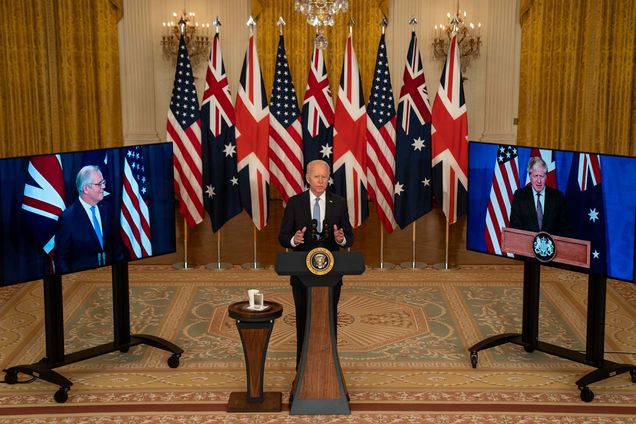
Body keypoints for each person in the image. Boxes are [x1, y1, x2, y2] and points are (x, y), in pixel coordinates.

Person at [278, 159, 354, 367]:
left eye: (324, 177)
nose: (321, 181)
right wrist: (295, 240)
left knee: (329, 317)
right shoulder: (295, 203)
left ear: (329, 179)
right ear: (307, 178)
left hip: (331, 272)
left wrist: (341, 239)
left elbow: (349, 236)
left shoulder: (338, 202)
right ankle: (302, 366)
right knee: (303, 317)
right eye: (317, 177)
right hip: (302, 271)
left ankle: (330, 364)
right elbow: (283, 236)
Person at [55, 165, 121, 274]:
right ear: (86, 189)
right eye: (99, 184)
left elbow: (117, 247)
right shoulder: (68, 219)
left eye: (103, 182)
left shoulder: (107, 209)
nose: (103, 187)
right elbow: (61, 262)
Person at [509, 156, 569, 236]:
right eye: (535, 176)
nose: (539, 181)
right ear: (530, 176)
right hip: (526, 246)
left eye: (542, 176)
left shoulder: (558, 197)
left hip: (552, 246)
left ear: (546, 177)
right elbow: (514, 227)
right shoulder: (520, 196)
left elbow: (564, 228)